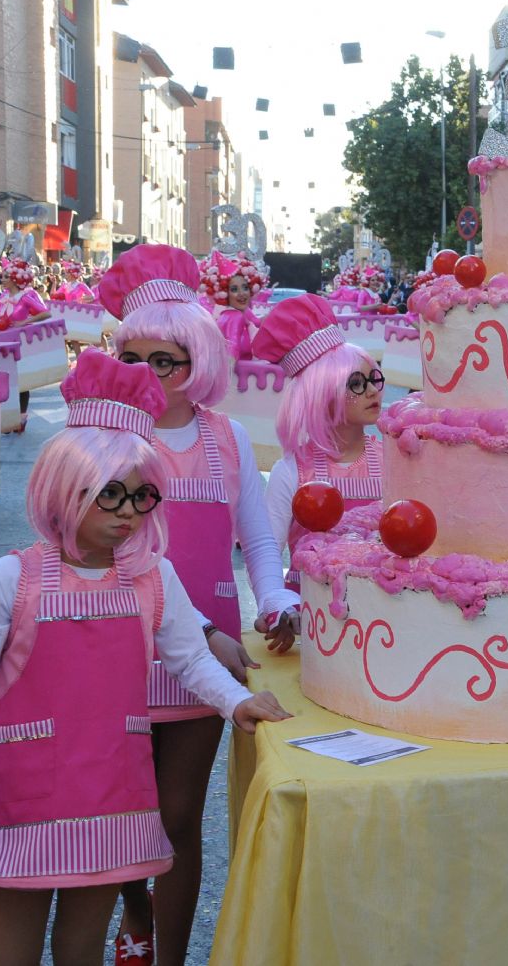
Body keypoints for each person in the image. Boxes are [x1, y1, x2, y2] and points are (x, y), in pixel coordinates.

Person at [0, 350, 291, 966]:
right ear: (67, 488)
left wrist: (236, 702)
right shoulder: (8, 578)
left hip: (112, 799)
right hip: (20, 802)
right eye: (111, 495)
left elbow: (189, 659)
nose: (128, 512)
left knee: (81, 949)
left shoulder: (153, 578)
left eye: (143, 497)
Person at [99, 245, 300, 965]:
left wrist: (274, 599)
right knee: (123, 814)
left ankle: (168, 954)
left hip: (199, 665)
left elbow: (257, 538)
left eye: (170, 357)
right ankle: (135, 912)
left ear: (201, 358)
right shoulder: (107, 436)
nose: (154, 373)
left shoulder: (231, 438)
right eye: (138, 357)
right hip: (115, 646)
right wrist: (211, 628)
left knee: (179, 816)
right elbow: (109, 548)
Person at [255, 294, 385, 589]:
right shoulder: (291, 472)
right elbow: (267, 552)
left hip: (380, 619)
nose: (372, 392)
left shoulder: (393, 460)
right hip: (309, 619)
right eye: (355, 384)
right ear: (321, 394)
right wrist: (278, 605)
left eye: (373, 379)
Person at [0, 258, 52, 429]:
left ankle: (21, 416)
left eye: (5, 276)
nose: (1, 279)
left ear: (15, 279)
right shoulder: (2, 297)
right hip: (1, 342)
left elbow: (46, 313)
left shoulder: (26, 297)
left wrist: (25, 322)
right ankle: (7, 417)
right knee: (4, 379)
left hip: (19, 343)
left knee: (20, 380)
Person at [200, 251, 267, 361]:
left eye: (245, 287)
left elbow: (257, 322)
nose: (242, 293)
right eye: (234, 289)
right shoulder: (235, 316)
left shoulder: (242, 312)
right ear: (225, 292)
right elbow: (231, 352)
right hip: (238, 376)